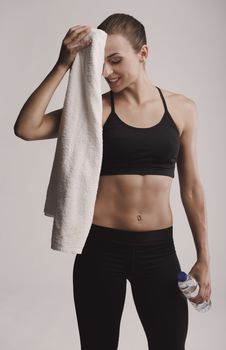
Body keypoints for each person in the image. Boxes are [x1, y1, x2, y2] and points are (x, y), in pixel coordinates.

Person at [14, 13, 211, 350]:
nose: (106, 72)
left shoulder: (182, 109)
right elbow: (27, 128)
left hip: (159, 251)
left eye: (116, 60)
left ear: (144, 53)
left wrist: (204, 258)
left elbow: (191, 188)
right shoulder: (94, 110)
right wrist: (62, 65)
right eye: (101, 63)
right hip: (101, 250)